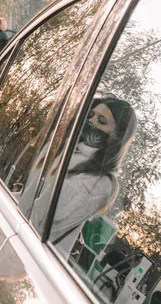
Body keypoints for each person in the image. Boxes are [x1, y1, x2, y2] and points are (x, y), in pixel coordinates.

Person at [49, 96, 137, 254]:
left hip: (42, 254)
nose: (91, 122)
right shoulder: (69, 154)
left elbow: (50, 212)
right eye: (90, 115)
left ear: (116, 137)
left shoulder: (103, 183)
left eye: (102, 121)